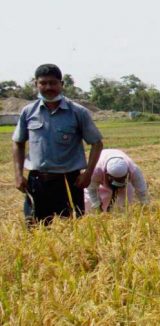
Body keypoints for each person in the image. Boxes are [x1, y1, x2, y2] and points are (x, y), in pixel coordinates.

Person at [12, 64, 103, 226]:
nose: (48, 87)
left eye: (53, 83)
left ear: (62, 84)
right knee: (35, 230)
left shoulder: (78, 112)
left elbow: (96, 143)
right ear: (36, 84)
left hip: (69, 181)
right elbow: (18, 142)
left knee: (72, 230)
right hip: (38, 181)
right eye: (43, 83)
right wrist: (18, 175)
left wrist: (88, 174)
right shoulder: (28, 112)